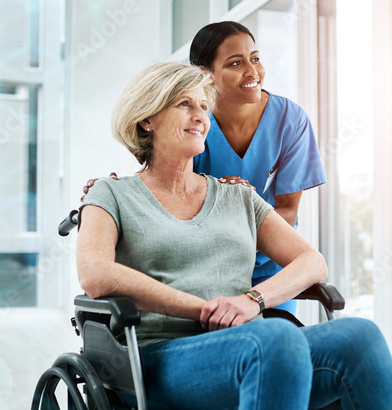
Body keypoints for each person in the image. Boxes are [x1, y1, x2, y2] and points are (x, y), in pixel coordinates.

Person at [76, 62, 392, 410]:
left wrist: (252, 300)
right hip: (155, 360)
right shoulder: (111, 193)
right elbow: (95, 272)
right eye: (184, 104)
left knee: (359, 336)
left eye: (204, 107)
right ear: (146, 121)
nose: (200, 116)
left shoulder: (237, 195)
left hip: (255, 350)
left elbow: (311, 261)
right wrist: (200, 309)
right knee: (273, 338)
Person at [83, 21, 326, 317]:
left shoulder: (281, 131)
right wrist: (109, 194)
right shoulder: (120, 188)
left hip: (264, 268)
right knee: (279, 342)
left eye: (256, 58)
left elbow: (304, 243)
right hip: (199, 288)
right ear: (206, 74)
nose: (252, 72)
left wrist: (249, 297)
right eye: (236, 63)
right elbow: (168, 185)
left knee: (353, 335)